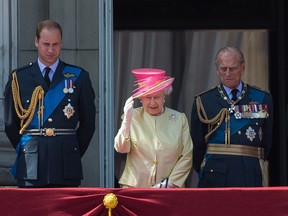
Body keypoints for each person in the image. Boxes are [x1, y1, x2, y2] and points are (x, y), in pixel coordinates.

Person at [4, 20, 96, 187]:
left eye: (55, 44)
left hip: (66, 163)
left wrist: (71, 152)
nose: (51, 50)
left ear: (61, 44)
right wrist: (28, 149)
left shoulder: (78, 77)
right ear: (36, 42)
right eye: (46, 44)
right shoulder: (19, 78)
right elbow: (11, 124)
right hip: (31, 164)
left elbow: (88, 124)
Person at [190, 46, 273, 187]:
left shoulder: (262, 98)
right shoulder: (204, 101)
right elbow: (197, 146)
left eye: (233, 68)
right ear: (217, 70)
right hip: (214, 175)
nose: (228, 73)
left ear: (243, 67)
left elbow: (268, 142)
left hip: (249, 173)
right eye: (223, 69)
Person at [114, 68, 193, 188]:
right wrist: (126, 121)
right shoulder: (132, 117)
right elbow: (121, 149)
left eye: (156, 97)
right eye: (147, 97)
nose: (152, 103)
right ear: (141, 98)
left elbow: (187, 155)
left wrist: (170, 183)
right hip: (135, 187)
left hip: (169, 189)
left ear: (164, 96)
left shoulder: (179, 119)